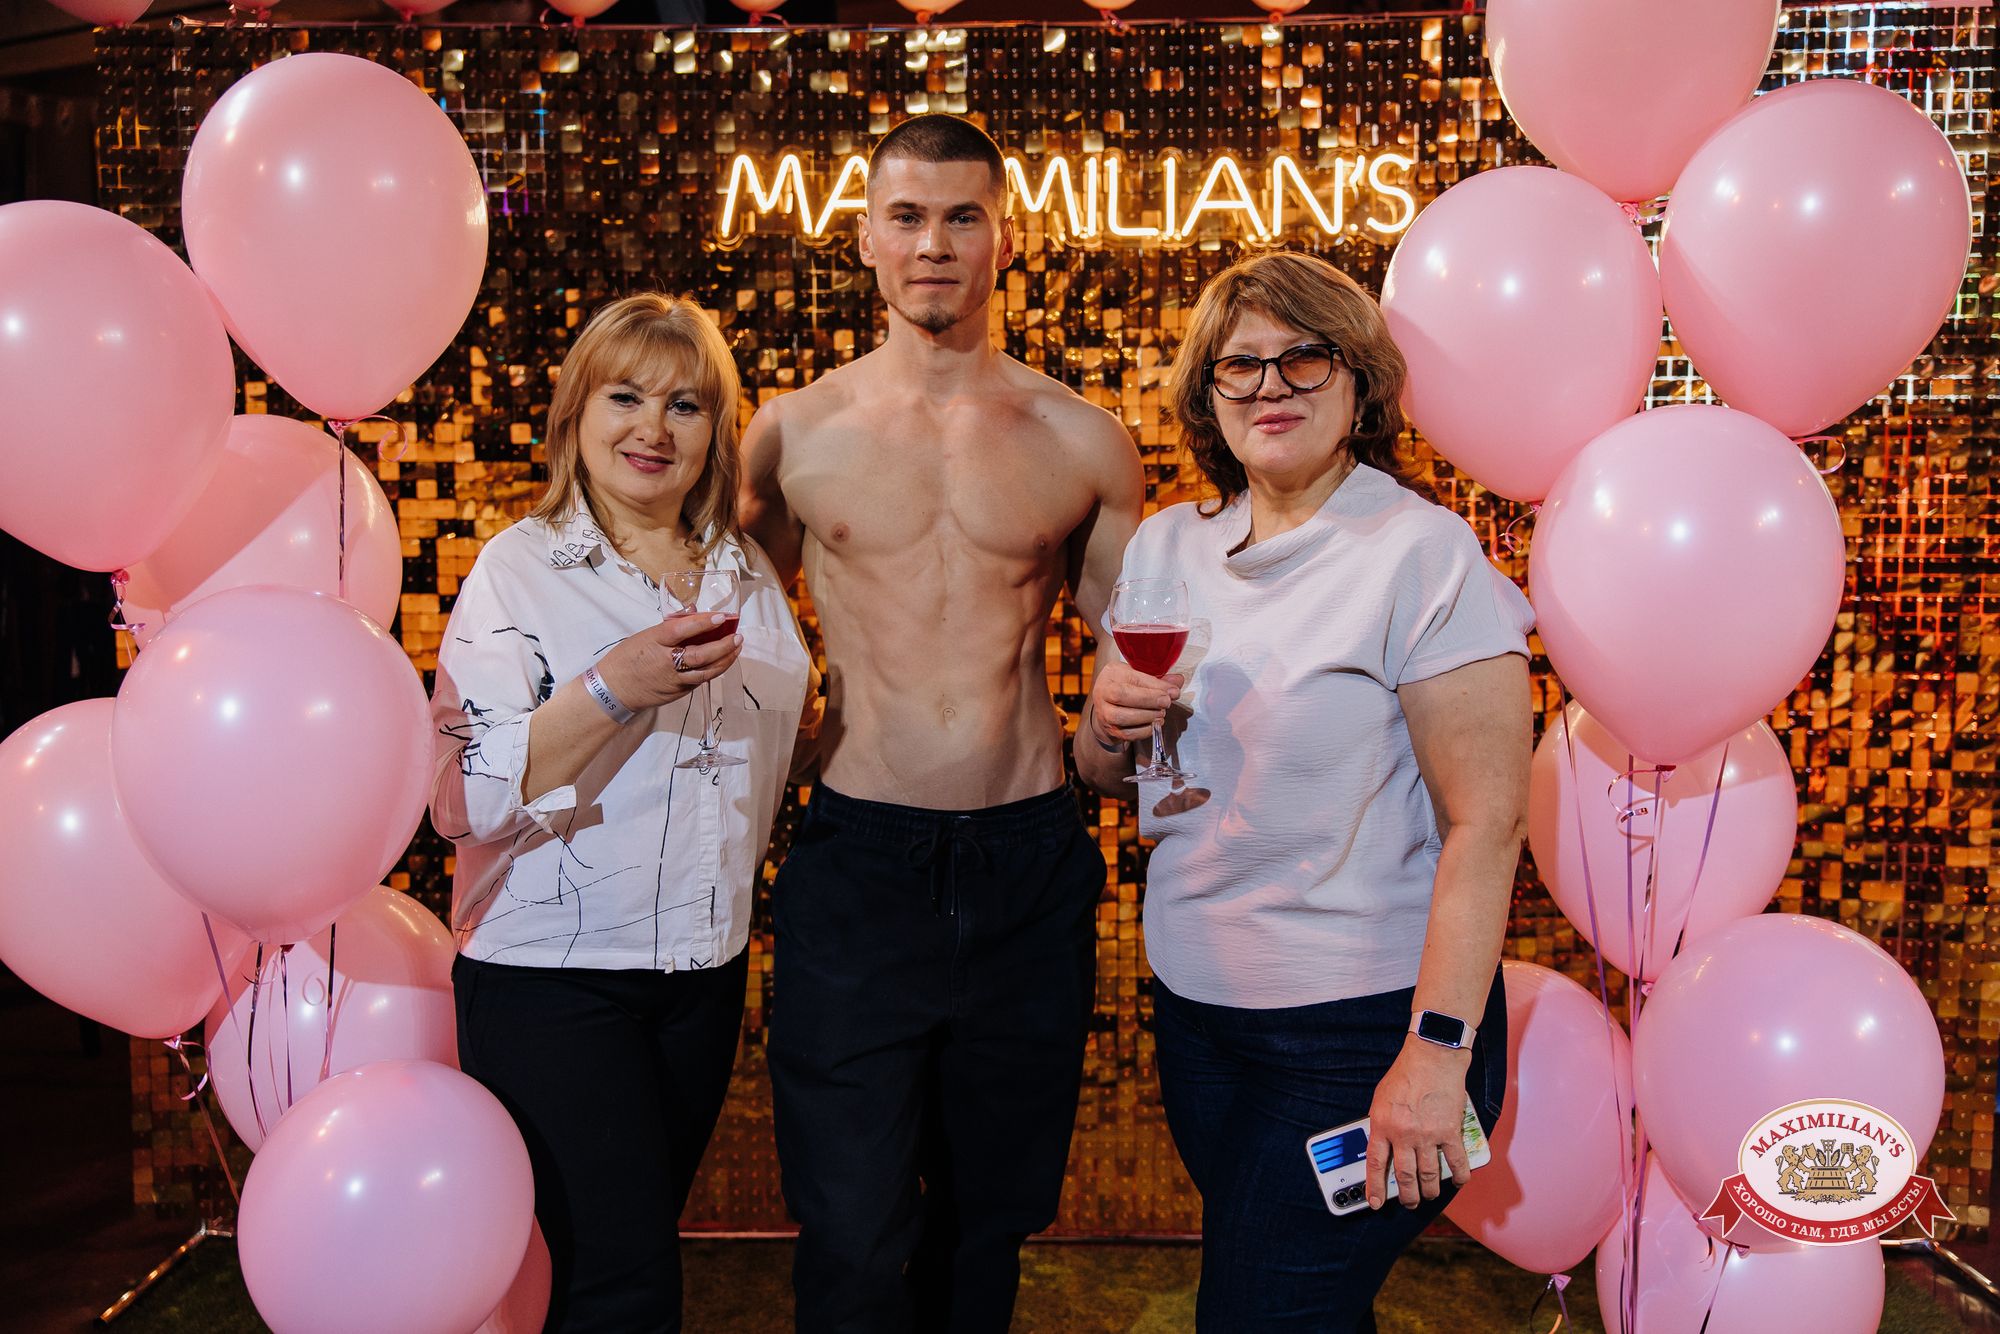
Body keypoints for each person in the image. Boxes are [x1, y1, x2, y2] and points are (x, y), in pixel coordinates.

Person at [1075, 250, 1533, 1332]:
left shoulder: (1418, 552)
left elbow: (1487, 822)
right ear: (1207, 394)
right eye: (1239, 365)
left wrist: (1436, 1053)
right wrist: (1100, 724)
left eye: (1303, 357)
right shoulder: (1166, 548)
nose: (1269, 386)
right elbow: (1106, 775)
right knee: (1298, 1306)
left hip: (1361, 1030)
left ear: (1359, 383)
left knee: (1258, 1313)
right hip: (1200, 1017)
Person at [739, 113, 1143, 1333]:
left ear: (1003, 240)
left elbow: (1139, 658)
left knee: (985, 1223)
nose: (933, 243)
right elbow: (737, 633)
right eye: (907, 216)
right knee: (853, 1231)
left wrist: (1116, 745)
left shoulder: (1081, 439)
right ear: (864, 237)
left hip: (1026, 860)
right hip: (857, 860)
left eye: (962, 216)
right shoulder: (792, 434)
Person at [430, 293, 814, 1332]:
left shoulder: (744, 571)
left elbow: (761, 753)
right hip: (553, 981)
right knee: (624, 1284)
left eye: (685, 404)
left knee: (611, 1267)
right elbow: (461, 799)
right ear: (576, 413)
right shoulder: (520, 568)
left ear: (715, 431)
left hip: (700, 973)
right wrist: (608, 690)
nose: (654, 427)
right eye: (626, 396)